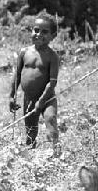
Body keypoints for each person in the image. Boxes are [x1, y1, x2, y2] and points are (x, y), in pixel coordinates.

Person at [9, 14, 61, 157]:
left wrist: (42, 101)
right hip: (29, 99)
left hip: (47, 98)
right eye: (36, 30)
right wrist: (11, 97)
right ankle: (30, 155)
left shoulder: (52, 56)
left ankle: (56, 151)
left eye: (44, 32)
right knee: (31, 130)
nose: (39, 34)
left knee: (50, 118)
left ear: (53, 36)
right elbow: (17, 76)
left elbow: (52, 82)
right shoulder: (24, 53)